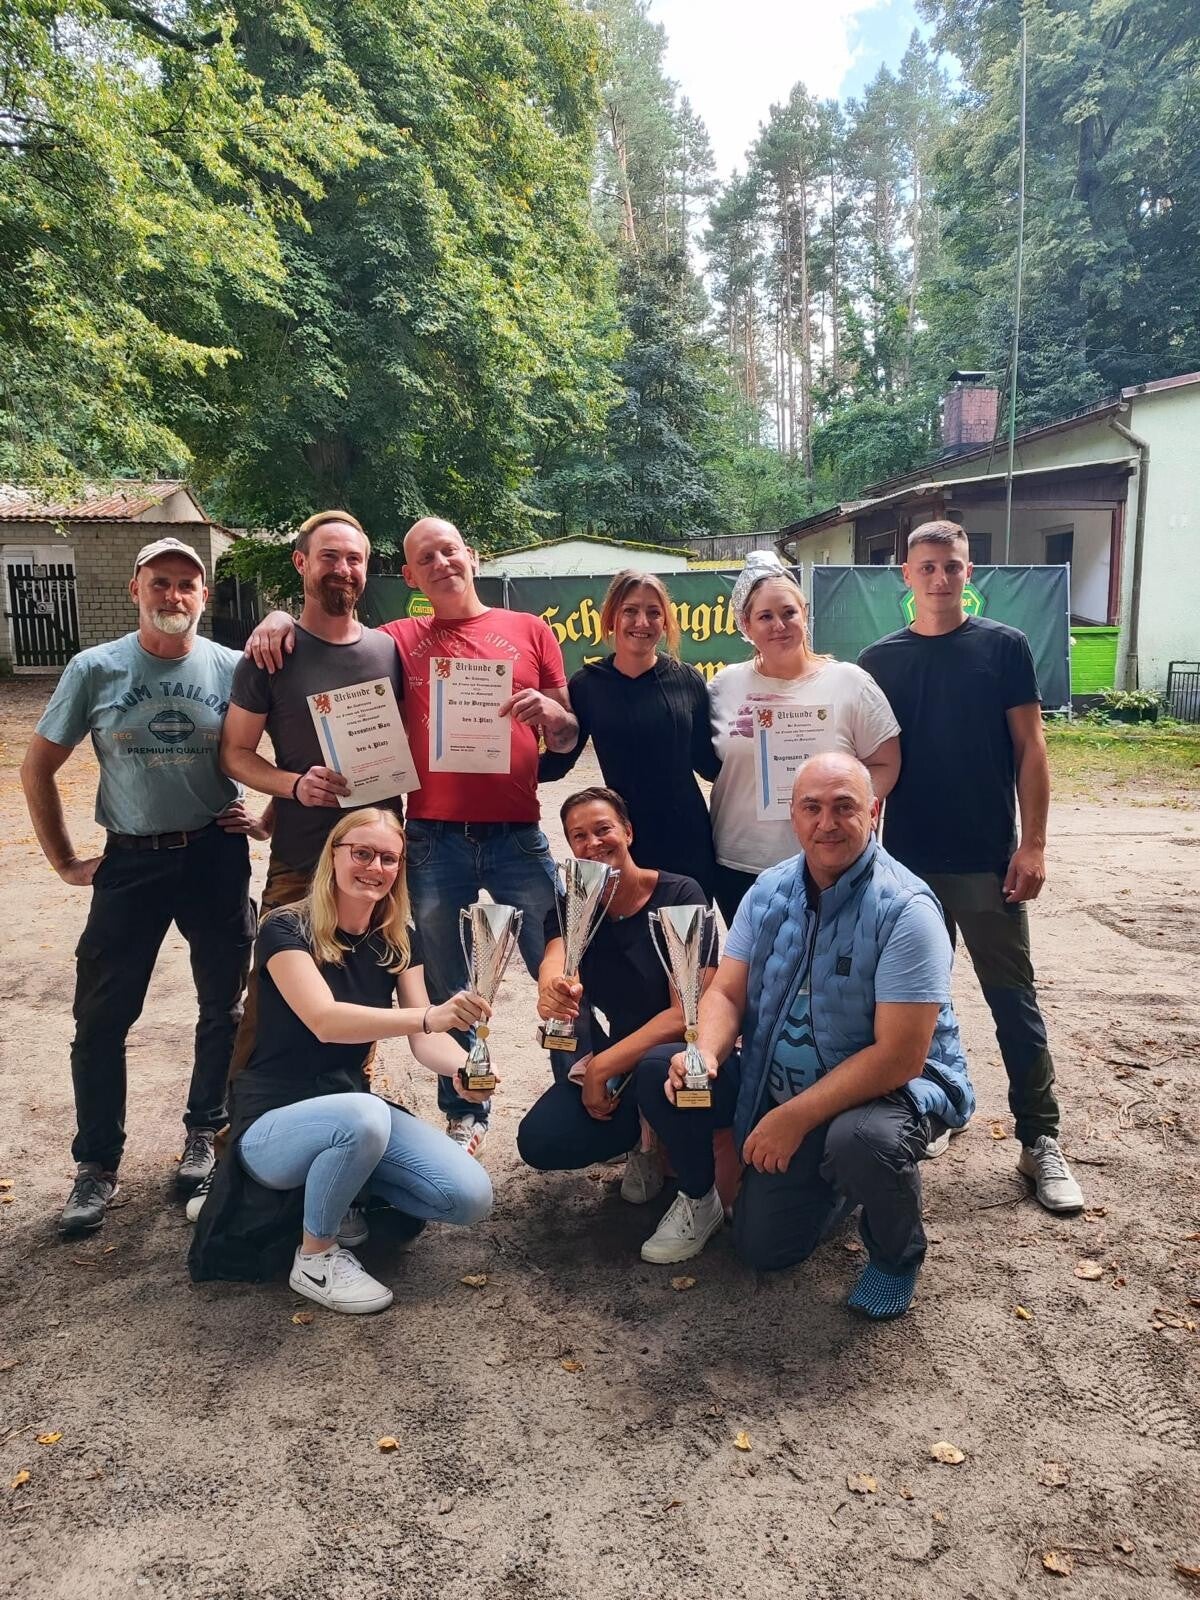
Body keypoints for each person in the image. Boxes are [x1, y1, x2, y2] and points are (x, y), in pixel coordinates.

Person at [244, 516, 578, 1158]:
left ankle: (579, 1090)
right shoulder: (398, 639)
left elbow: (566, 736)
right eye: (426, 558)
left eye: (449, 550)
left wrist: (553, 715)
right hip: (431, 838)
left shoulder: (531, 630)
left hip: (517, 833)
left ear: (471, 555)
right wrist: (278, 618)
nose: (441, 563)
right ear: (410, 575)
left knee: (561, 970)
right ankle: (466, 1110)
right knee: (447, 980)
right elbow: (332, 641)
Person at [630, 753, 974, 1318]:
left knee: (862, 1143)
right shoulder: (768, 890)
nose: (826, 823)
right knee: (660, 1074)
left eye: (844, 807)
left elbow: (900, 1057)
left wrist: (792, 1119)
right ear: (792, 816)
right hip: (776, 1076)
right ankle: (707, 1194)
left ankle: (894, 1254)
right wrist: (705, 1053)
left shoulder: (907, 910)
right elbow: (726, 993)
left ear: (874, 812)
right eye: (811, 807)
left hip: (885, 1091)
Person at [20, 537, 267, 1235]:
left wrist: (266, 817)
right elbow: (37, 767)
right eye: (160, 582)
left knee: (224, 1005)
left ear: (204, 596)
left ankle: (204, 1130)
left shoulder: (233, 668)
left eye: (187, 584)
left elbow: (297, 748)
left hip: (215, 855)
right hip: (131, 861)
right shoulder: (95, 669)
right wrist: (65, 862)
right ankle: (96, 1165)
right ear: (136, 590)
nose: (173, 595)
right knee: (101, 1018)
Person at [858, 520, 1083, 1213]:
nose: (939, 578)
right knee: (908, 1006)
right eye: (926, 566)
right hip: (905, 870)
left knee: (1013, 1002)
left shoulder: (1003, 647)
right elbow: (866, 761)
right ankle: (931, 1110)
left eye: (951, 566)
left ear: (969, 570)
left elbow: (1032, 748)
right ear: (905, 575)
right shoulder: (879, 660)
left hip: (989, 864)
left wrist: (1033, 844)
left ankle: (1039, 1140)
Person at [188, 808, 494, 1313]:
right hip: (272, 1118)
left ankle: (345, 1192)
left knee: (468, 1196)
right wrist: (428, 1018)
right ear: (334, 855)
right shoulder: (285, 926)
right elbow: (325, 1021)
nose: (375, 867)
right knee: (363, 1113)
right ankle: (316, 1258)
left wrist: (462, 1067)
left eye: (389, 859)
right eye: (362, 853)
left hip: (346, 1108)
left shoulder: (399, 938)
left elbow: (427, 1041)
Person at [221, 510, 408, 1081]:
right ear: (301, 563)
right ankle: (243, 1121)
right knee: (270, 1001)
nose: (342, 569)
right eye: (329, 556)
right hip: (301, 860)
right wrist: (293, 786)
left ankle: (352, 1099)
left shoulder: (389, 651)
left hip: (377, 861)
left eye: (354, 559)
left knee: (367, 990)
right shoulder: (270, 653)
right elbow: (235, 753)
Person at [516, 786, 716, 1203]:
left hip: (685, 1052)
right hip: (626, 1053)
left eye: (603, 829)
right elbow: (556, 956)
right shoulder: (576, 904)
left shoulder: (680, 895)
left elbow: (685, 1014)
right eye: (579, 836)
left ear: (628, 832)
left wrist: (599, 1069)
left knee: (726, 1190)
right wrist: (551, 989)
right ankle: (641, 1140)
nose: (593, 843)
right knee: (541, 1139)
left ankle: (681, 1148)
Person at [707, 552, 901, 925]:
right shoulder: (723, 686)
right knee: (753, 960)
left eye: (788, 612)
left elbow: (886, 761)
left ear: (805, 613)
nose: (779, 625)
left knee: (829, 958)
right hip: (740, 862)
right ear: (746, 624)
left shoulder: (849, 682)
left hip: (830, 857)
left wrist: (851, 811)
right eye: (765, 616)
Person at [538, 571, 720, 899]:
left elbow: (709, 764)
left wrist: (765, 751)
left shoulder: (687, 680)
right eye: (630, 611)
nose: (642, 622)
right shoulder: (588, 685)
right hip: (622, 842)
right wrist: (495, 759)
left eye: (654, 612)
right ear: (611, 618)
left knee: (689, 931)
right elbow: (558, 764)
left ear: (666, 622)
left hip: (688, 839)